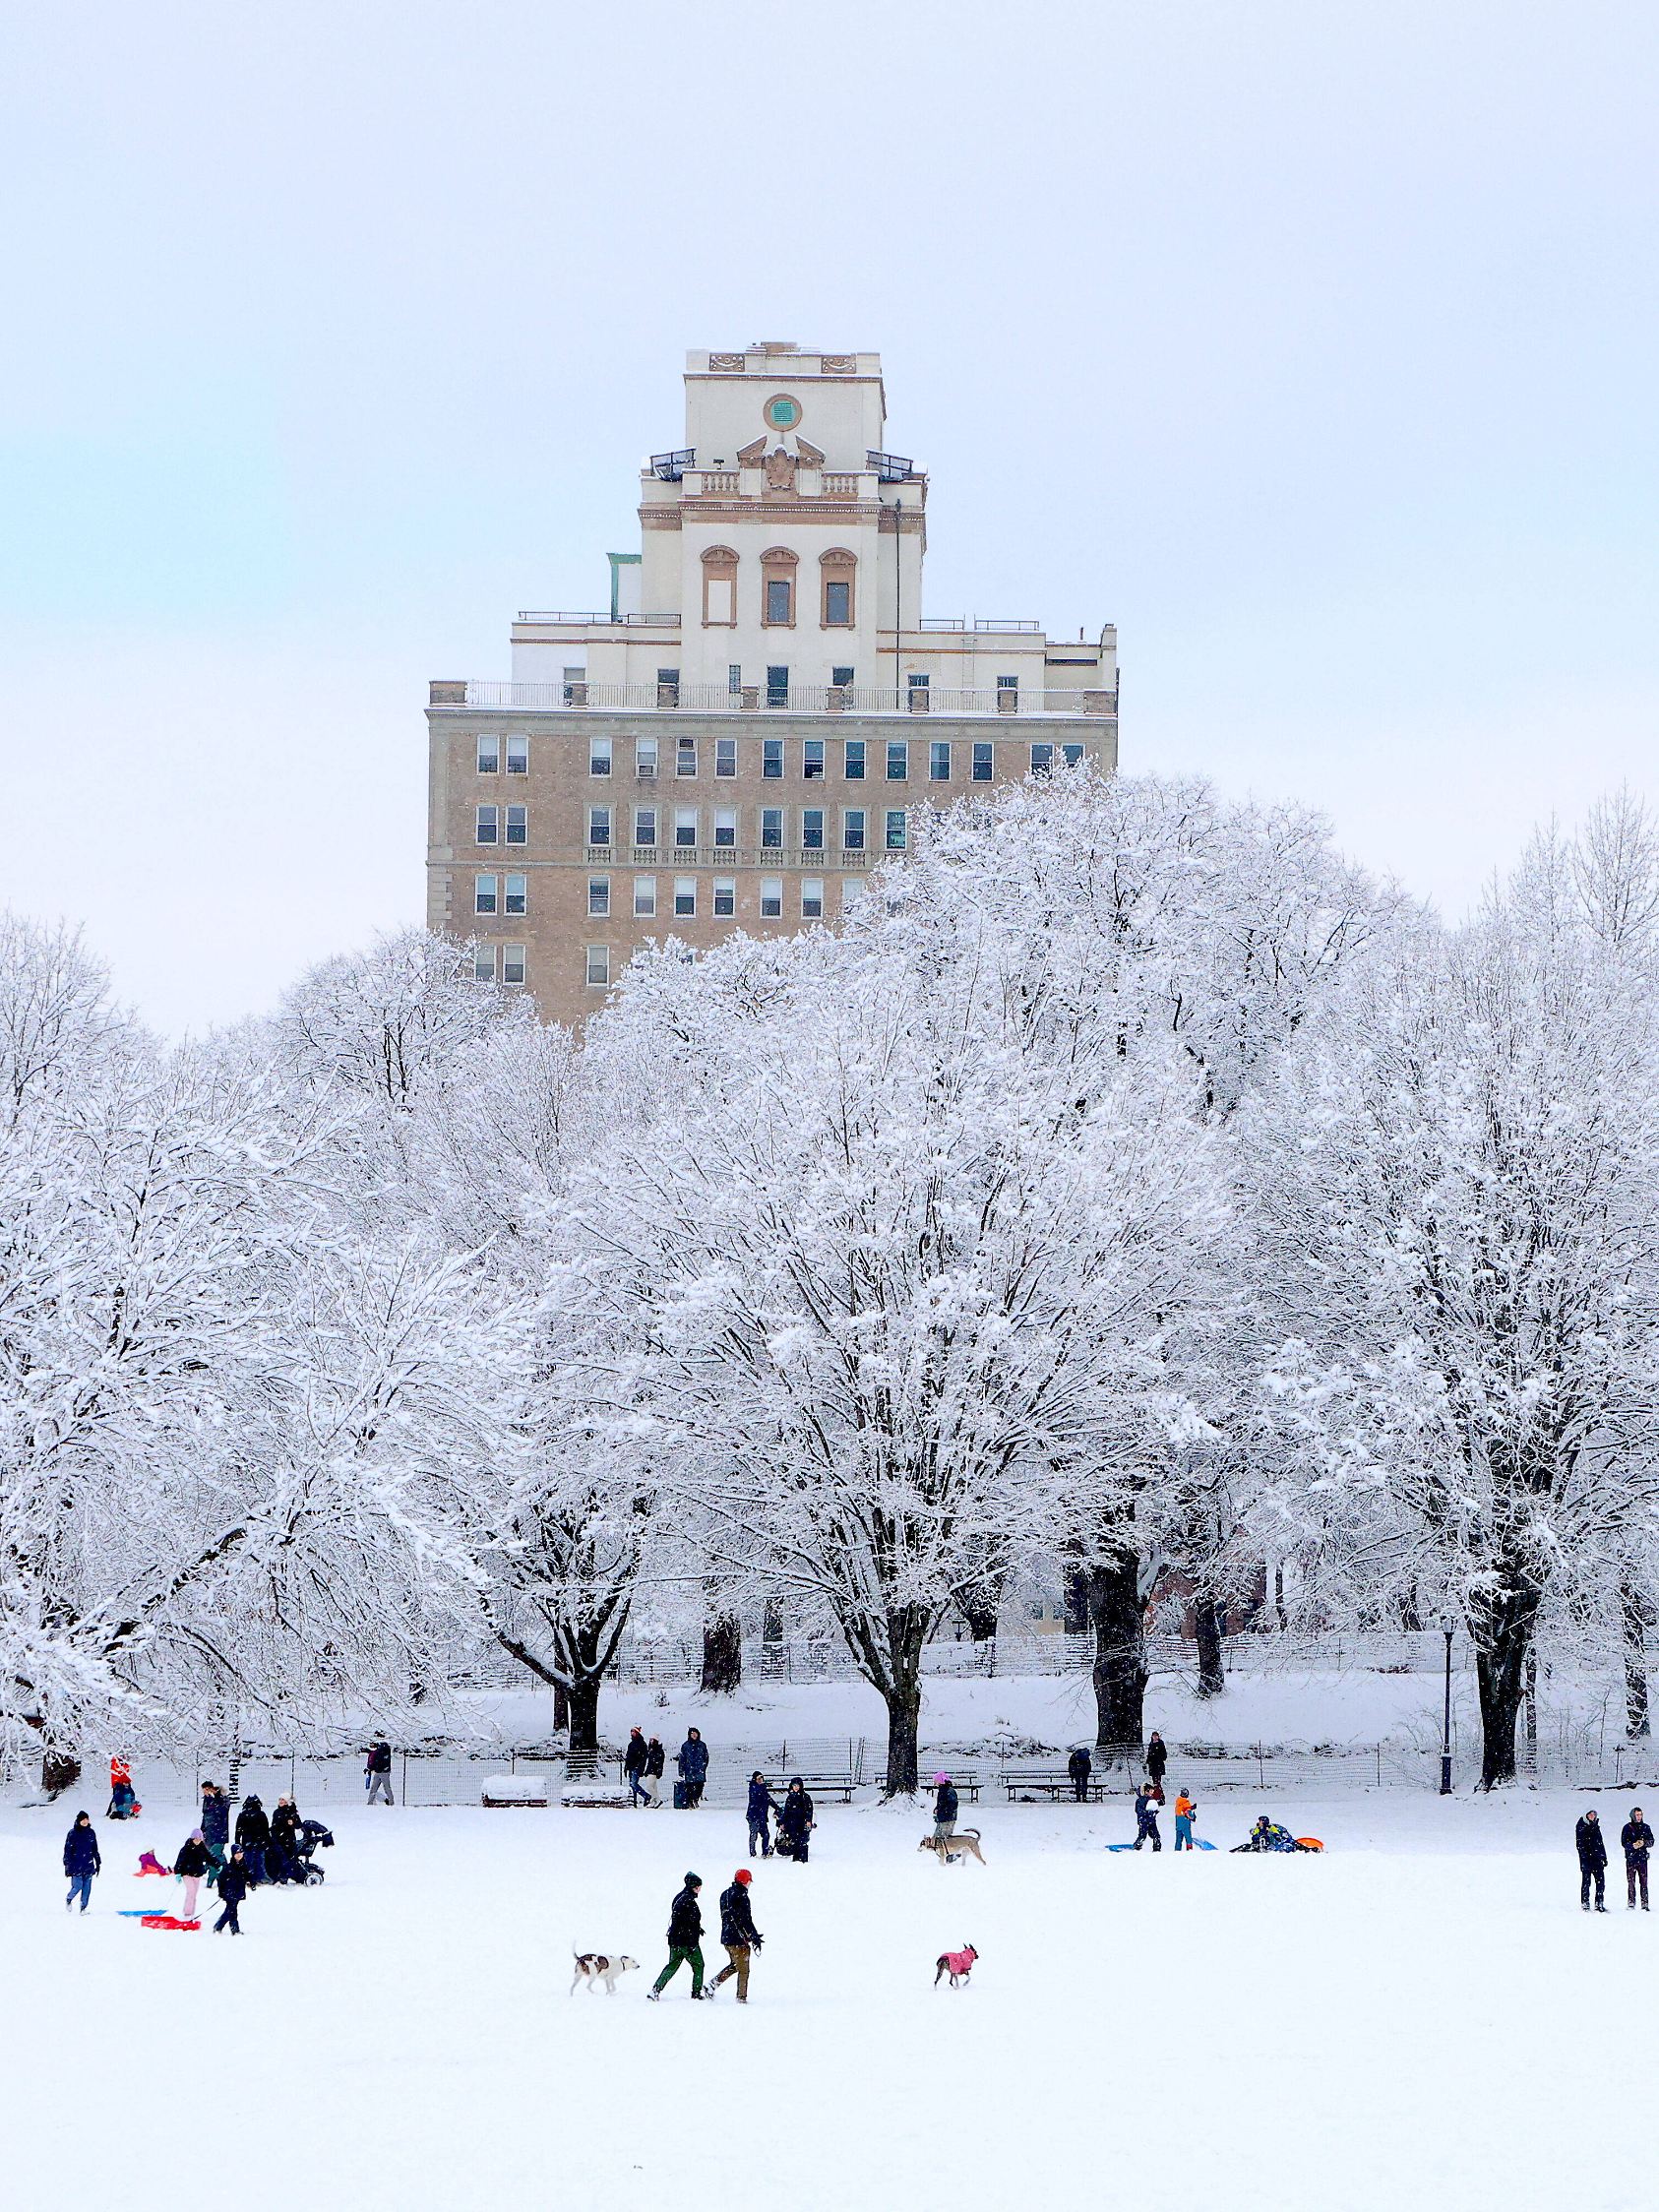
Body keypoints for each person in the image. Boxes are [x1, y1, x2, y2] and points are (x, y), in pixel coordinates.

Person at [647, 1874, 707, 1999]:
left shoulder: (679, 1897)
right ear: (693, 1887)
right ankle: (696, 1992)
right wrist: (692, 1942)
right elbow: (689, 1924)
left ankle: (656, 1990)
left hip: (674, 1939)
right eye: (698, 1886)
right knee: (699, 1965)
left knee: (672, 1966)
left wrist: (697, 1929)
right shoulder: (689, 1902)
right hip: (686, 1941)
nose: (700, 1889)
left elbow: (680, 1920)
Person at [707, 1869, 763, 2002]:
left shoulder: (725, 1894)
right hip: (738, 1939)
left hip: (726, 1937)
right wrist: (753, 1936)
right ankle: (741, 1997)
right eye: (749, 1881)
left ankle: (712, 1985)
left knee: (736, 1965)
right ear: (745, 1881)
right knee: (744, 1969)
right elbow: (745, 1919)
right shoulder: (742, 1897)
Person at [63, 1811, 100, 1913]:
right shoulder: (72, 1833)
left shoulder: (91, 1833)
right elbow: (68, 1850)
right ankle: (69, 1899)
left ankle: (83, 1908)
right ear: (79, 1821)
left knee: (87, 1888)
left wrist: (98, 1862)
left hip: (88, 1864)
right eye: (83, 1819)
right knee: (77, 1886)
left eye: (86, 1819)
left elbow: (94, 1848)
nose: (85, 1821)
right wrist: (67, 1865)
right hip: (76, 1865)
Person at [1623, 1807, 1654, 1911]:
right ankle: (1631, 1902)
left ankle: (1645, 1903)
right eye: (1637, 1815)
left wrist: (1644, 1843)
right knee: (1631, 1882)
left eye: (1640, 1814)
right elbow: (1624, 1843)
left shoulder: (1646, 1827)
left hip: (1642, 1859)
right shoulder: (1627, 1827)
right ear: (1633, 1816)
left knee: (1644, 1882)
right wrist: (1633, 1845)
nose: (1639, 1817)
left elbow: (1652, 1841)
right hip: (1631, 1859)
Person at [173, 1829, 211, 1919]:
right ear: (192, 1839)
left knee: (194, 1894)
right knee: (191, 1891)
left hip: (197, 1874)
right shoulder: (186, 1848)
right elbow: (179, 1861)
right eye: (195, 1839)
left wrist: (218, 1865)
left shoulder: (202, 1848)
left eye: (199, 1839)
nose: (197, 1841)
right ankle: (187, 1912)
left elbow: (209, 1857)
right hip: (187, 1874)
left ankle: (191, 1913)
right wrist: (178, 1873)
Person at [777, 1777, 815, 1864]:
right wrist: (782, 1822)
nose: (796, 1787)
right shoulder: (790, 1797)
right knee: (794, 1840)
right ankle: (796, 1858)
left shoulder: (805, 1797)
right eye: (794, 1786)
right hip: (792, 1822)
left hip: (802, 1822)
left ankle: (803, 1859)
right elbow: (786, 1811)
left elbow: (809, 1810)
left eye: (797, 1785)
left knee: (802, 1840)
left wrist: (808, 1820)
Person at [214, 1847, 250, 1935]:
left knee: (230, 1910)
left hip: (238, 1891)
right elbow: (221, 1880)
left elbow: (248, 1876)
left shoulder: (244, 1866)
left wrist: (251, 1883)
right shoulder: (228, 1867)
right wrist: (221, 1892)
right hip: (229, 1892)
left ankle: (218, 1925)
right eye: (237, 1853)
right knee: (232, 1910)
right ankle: (234, 1929)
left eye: (241, 1853)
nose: (239, 1855)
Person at [1577, 1808, 1609, 1912]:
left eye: (1594, 1814)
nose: (1592, 1816)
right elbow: (1580, 1845)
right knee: (1586, 1882)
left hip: (1597, 1860)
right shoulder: (1581, 1826)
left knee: (1600, 1882)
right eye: (1590, 1814)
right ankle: (1585, 1903)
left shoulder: (1596, 1827)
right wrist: (1586, 1856)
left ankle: (1599, 1903)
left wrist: (1603, 1857)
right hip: (1587, 1860)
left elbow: (1600, 1843)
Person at [200, 1781, 230, 1886]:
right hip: (209, 1833)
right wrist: (202, 1831)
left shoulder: (222, 1800)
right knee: (215, 1856)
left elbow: (222, 1811)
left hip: (219, 1834)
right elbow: (205, 1817)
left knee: (214, 1856)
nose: (206, 1792)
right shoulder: (208, 1801)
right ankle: (223, 1873)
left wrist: (216, 1795)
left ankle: (213, 1877)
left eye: (207, 1790)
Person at [235, 1793, 270, 1885]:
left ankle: (248, 1878)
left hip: (247, 1841)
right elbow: (266, 1830)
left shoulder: (242, 1815)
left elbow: (238, 1831)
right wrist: (267, 1842)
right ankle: (259, 1877)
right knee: (259, 1860)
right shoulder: (261, 1815)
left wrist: (237, 1842)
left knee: (248, 1860)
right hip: (259, 1841)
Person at [747, 1771, 780, 1859]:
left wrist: (776, 1807)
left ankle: (765, 1852)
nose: (760, 1780)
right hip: (754, 1816)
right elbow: (764, 1798)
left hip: (762, 1816)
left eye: (761, 1778)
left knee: (765, 1834)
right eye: (758, 1779)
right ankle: (752, 1853)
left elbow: (768, 1799)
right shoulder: (753, 1788)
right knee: (754, 1834)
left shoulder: (762, 1789)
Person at [269, 1796, 302, 1882]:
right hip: (278, 1839)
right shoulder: (276, 1812)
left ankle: (286, 1876)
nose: (280, 1801)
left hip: (289, 1840)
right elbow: (274, 1825)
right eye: (279, 1799)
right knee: (278, 1858)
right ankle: (279, 1876)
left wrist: (293, 1822)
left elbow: (299, 1825)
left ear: (287, 1801)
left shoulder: (292, 1812)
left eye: (283, 1799)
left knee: (288, 1859)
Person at [677, 1728, 709, 1809]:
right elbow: (682, 1758)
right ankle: (690, 1801)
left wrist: (703, 1766)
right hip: (689, 1769)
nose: (694, 1735)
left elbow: (706, 1757)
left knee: (700, 1786)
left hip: (699, 1769)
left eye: (696, 1733)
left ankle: (695, 1799)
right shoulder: (685, 1746)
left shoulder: (702, 1745)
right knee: (689, 1787)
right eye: (692, 1734)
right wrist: (681, 1769)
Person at [624, 1727, 649, 1808]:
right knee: (632, 1785)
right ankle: (633, 1801)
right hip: (631, 1767)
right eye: (631, 1731)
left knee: (634, 1784)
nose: (632, 1733)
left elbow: (644, 1757)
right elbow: (628, 1757)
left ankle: (646, 1796)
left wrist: (641, 1767)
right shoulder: (631, 1744)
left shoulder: (642, 1744)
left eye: (633, 1731)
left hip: (636, 1767)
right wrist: (626, 1767)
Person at [107, 1756, 139, 1820]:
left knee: (122, 1797)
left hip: (121, 1782)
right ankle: (112, 1813)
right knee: (117, 1799)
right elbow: (120, 1771)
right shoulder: (116, 1763)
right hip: (118, 1783)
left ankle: (112, 1812)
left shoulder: (120, 1762)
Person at [365, 1739, 395, 1807]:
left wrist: (371, 1768)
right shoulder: (379, 1752)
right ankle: (370, 1803)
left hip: (384, 1772)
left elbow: (377, 1762)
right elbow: (376, 1762)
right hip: (379, 1772)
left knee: (386, 1788)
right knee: (374, 1788)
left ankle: (391, 1802)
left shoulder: (381, 1752)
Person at [1134, 1784, 1162, 1851]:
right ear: (1146, 1791)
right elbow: (1139, 1811)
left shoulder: (1151, 1799)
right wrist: (1149, 1813)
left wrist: (1155, 1811)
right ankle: (1137, 1846)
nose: (1152, 1792)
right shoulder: (1140, 1800)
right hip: (1144, 1821)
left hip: (1152, 1821)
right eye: (1151, 1791)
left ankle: (1157, 1848)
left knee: (1156, 1835)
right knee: (1142, 1835)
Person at [933, 1774, 958, 1846]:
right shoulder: (942, 1791)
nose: (934, 1782)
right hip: (943, 1818)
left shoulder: (948, 1791)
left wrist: (942, 1811)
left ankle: (951, 1855)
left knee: (943, 1840)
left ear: (940, 1781)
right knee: (939, 1839)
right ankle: (947, 1855)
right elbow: (941, 1804)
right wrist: (937, 1809)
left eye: (936, 1780)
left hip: (947, 1819)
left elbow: (952, 1805)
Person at [644, 1735, 667, 1807]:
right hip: (650, 1770)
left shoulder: (659, 1751)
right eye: (650, 1740)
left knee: (649, 1786)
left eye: (652, 1740)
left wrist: (659, 1771)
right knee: (654, 1787)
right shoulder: (651, 1749)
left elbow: (660, 1763)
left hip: (654, 1771)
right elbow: (650, 1762)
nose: (651, 1741)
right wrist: (647, 1771)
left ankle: (657, 1799)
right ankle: (654, 1801)